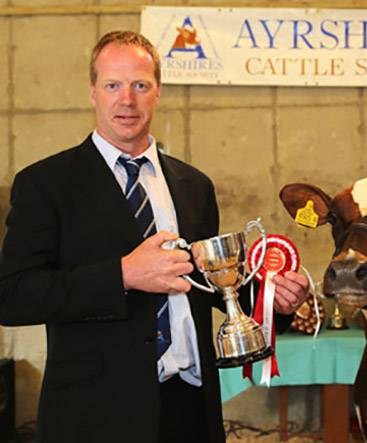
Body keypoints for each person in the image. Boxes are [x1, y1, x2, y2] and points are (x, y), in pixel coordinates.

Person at [0, 31, 308, 443]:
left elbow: (211, 285)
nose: (126, 100)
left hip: (189, 408)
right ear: (93, 92)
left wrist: (275, 301)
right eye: (113, 85)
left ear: (158, 91)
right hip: (94, 416)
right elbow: (13, 294)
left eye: (140, 85)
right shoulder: (46, 184)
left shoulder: (194, 185)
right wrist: (122, 275)